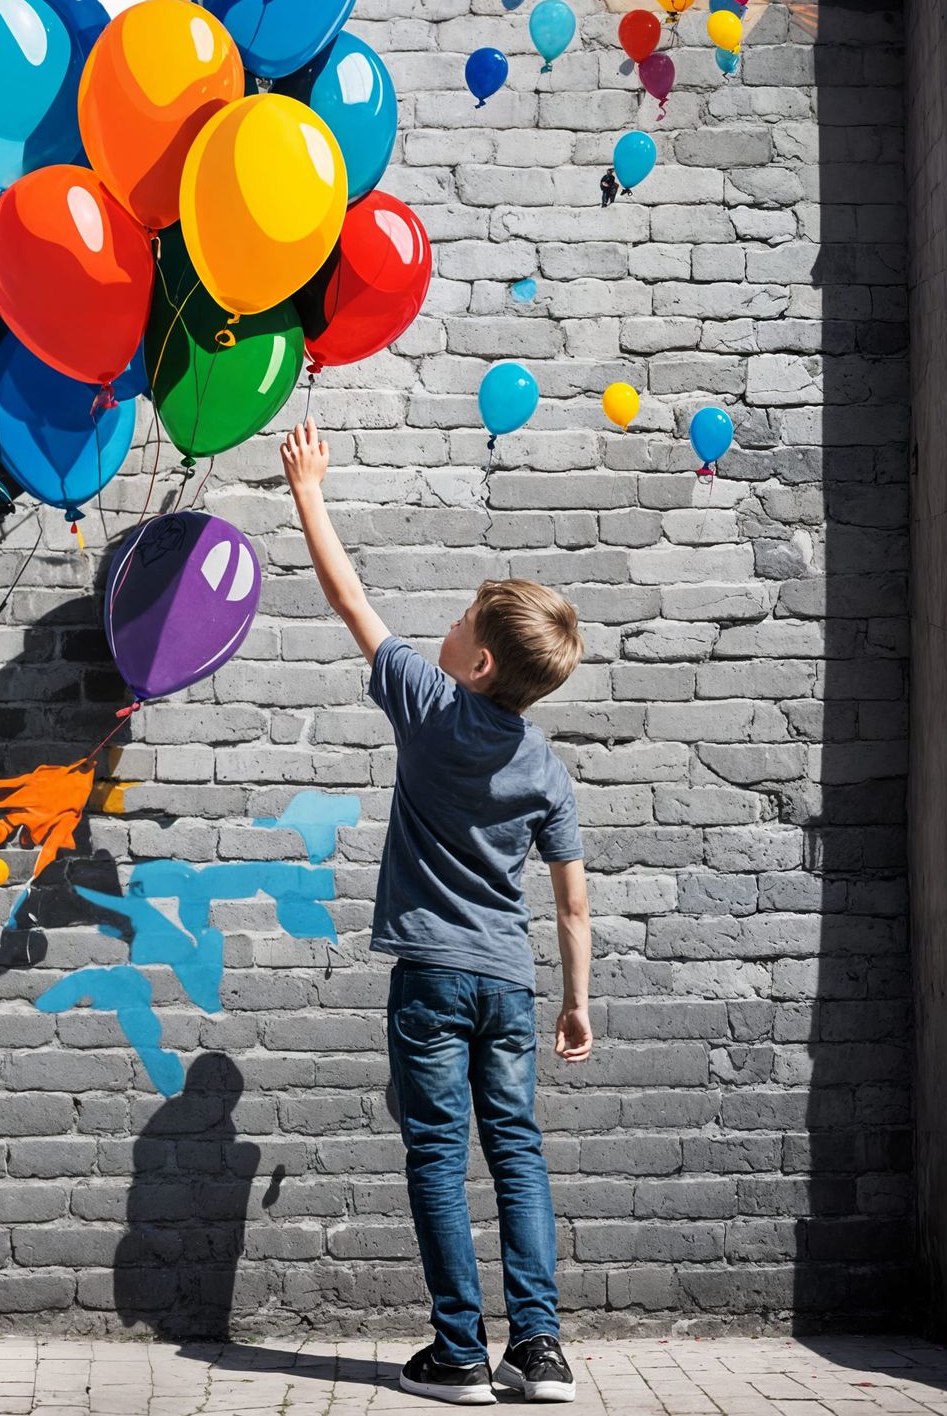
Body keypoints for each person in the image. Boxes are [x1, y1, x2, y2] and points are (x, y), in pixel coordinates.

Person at [280, 418, 592, 1406]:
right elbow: (572, 901)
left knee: (435, 1149)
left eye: (462, 620)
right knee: (516, 1149)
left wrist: (310, 489)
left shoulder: (424, 701)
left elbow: (345, 596)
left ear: (480, 665)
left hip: (428, 976)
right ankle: (537, 1348)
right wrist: (575, 1001)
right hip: (507, 979)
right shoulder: (545, 768)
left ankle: (457, 1349)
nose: (446, 626)